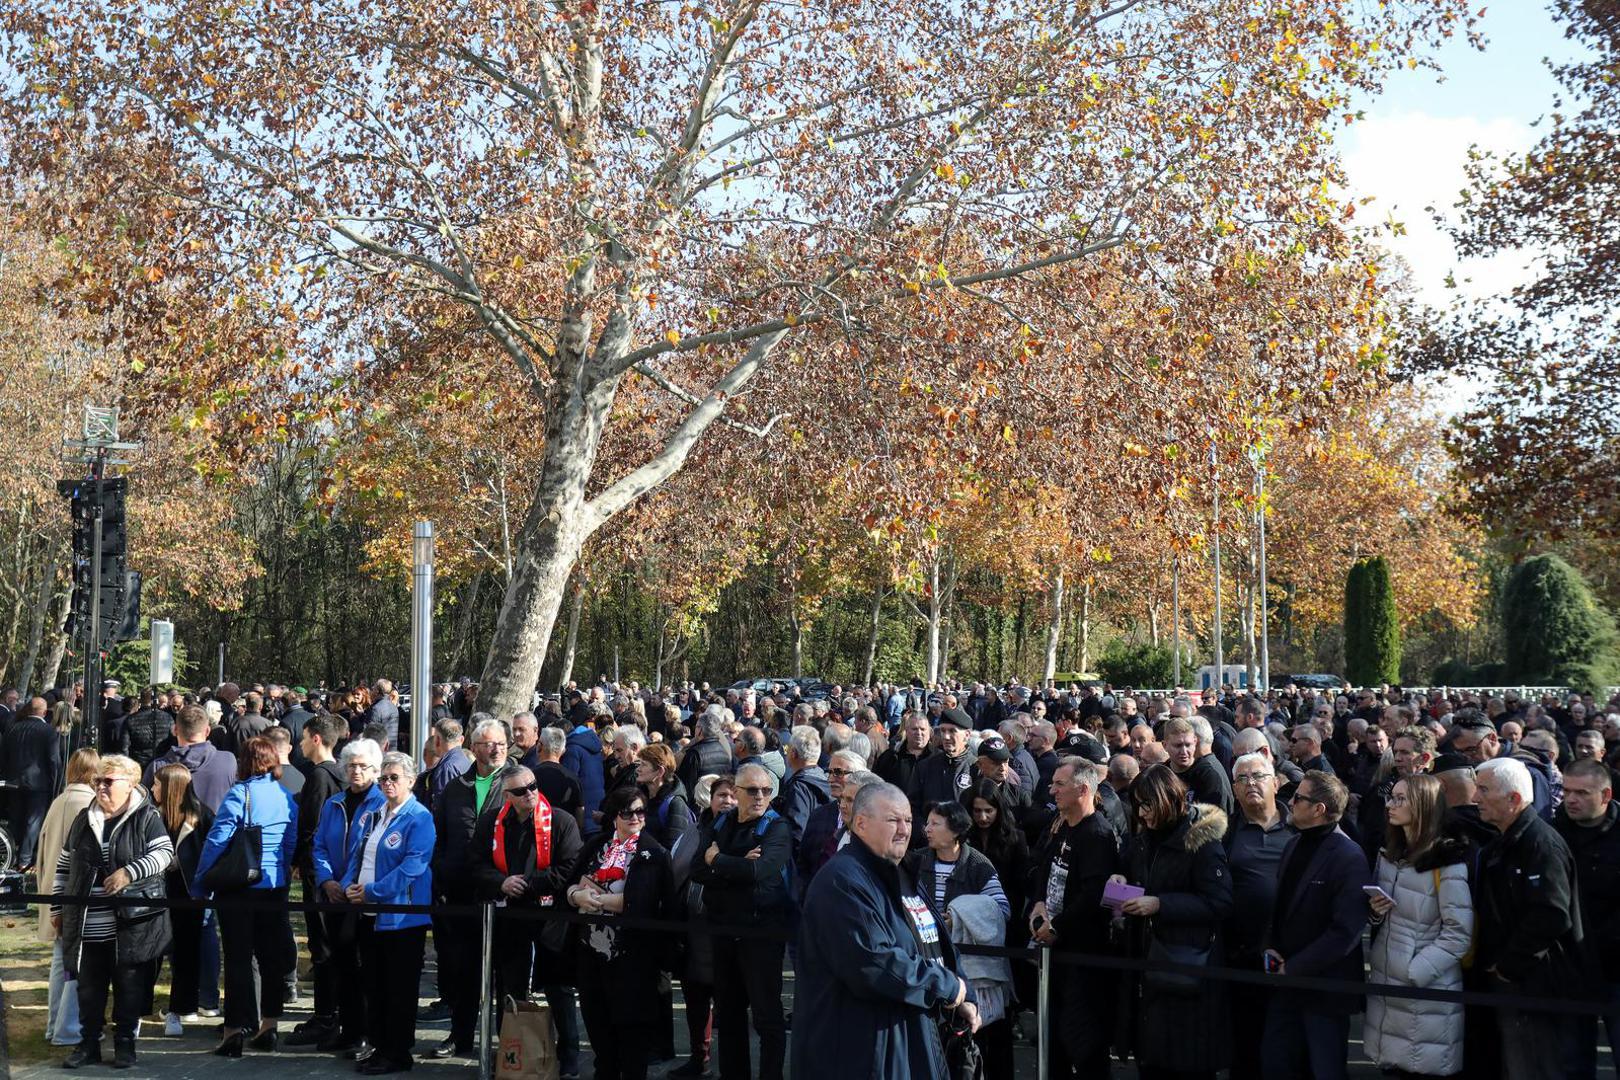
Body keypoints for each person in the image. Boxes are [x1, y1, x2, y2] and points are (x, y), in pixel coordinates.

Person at [792, 781, 980, 1078]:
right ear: (861, 824)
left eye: (908, 820)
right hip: (861, 1055)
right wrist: (947, 987)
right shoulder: (842, 881)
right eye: (893, 820)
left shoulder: (902, 872)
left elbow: (934, 941)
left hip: (910, 1042)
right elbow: (874, 964)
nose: (904, 830)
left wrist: (963, 996)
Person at [52, 754, 174, 1070]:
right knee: (88, 989)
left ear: (130, 783)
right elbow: (64, 866)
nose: (101, 787)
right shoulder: (84, 818)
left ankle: (125, 1045)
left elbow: (165, 854)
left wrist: (129, 873)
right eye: (97, 781)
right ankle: (88, 1045)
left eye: (108, 781)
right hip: (88, 923)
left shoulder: (146, 816)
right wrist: (57, 908)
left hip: (132, 923)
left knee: (128, 987)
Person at [1113, 763, 1232, 1080]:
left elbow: (1219, 901)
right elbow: (1133, 868)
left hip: (1186, 966)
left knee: (1186, 1062)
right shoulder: (1144, 838)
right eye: (1138, 806)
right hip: (1149, 963)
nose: (1142, 813)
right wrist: (1120, 877)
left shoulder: (1201, 842)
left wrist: (1161, 904)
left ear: (1167, 799)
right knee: (1152, 1058)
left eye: (1147, 805)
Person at [1472, 756, 1584, 1080]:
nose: (1475, 798)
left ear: (1514, 798)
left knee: (1535, 1065)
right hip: (1518, 982)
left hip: (1535, 985)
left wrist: (1508, 965)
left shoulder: (1541, 844)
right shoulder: (1505, 842)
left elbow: (1551, 913)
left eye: (1484, 790)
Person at [471, 763, 584, 1080]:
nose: (530, 793)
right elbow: (475, 863)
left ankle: (569, 1056)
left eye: (533, 786)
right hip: (510, 915)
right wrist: (501, 882)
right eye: (521, 791)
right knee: (510, 986)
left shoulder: (560, 820)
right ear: (507, 796)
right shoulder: (491, 822)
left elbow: (570, 868)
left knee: (558, 988)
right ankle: (511, 1051)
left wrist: (530, 884)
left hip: (551, 915)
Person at [193, 735, 298, 1057]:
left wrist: (201, 880)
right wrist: (282, 871)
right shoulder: (285, 795)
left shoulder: (240, 794)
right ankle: (270, 1026)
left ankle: (234, 1031)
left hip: (240, 885)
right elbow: (290, 841)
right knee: (270, 958)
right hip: (274, 885)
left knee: (238, 958)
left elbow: (218, 839)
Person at [1261, 770, 1370, 1080]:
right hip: (1285, 983)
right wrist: (1269, 947)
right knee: (1276, 1063)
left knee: (1324, 1070)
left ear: (1319, 809)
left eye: (1298, 798)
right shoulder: (1293, 844)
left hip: (1325, 991)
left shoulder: (1349, 856)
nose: (1290, 802)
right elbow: (1280, 906)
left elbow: (1346, 931)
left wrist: (1294, 967)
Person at [1363, 772, 1473, 1078]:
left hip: (1425, 989)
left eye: (1400, 799)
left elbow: (1458, 933)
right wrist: (1375, 912)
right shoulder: (1389, 854)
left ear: (1423, 806)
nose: (1390, 805)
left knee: (1421, 1066)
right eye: (1391, 797)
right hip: (1388, 983)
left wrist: (1416, 971)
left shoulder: (1447, 861)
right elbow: (1385, 916)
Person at [565, 784, 675, 1080]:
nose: (636, 818)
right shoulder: (597, 845)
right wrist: (576, 896)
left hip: (632, 958)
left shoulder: (653, 852)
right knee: (599, 1034)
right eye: (628, 813)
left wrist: (596, 900)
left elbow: (642, 903)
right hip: (591, 953)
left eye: (641, 812)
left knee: (632, 1039)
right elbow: (571, 883)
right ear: (615, 816)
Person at [692, 762, 793, 1080]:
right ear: (736, 792)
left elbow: (758, 871)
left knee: (767, 1017)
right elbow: (697, 869)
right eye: (752, 790)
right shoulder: (721, 822)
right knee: (729, 1015)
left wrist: (719, 860)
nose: (760, 796)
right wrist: (736, 867)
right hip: (723, 931)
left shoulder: (777, 827)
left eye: (766, 790)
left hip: (762, 934)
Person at [431, 715, 518, 1058]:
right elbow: (440, 836)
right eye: (489, 744)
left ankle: (506, 1044)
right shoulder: (456, 788)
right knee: (463, 969)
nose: (496, 750)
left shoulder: (518, 783)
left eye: (501, 744)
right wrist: (443, 871)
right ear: (474, 747)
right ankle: (461, 1034)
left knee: (505, 974)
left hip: (503, 892)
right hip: (462, 893)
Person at [343, 751, 434, 1075]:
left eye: (394, 777)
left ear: (411, 780)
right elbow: (358, 856)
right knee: (374, 984)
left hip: (401, 917)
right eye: (383, 778)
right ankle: (379, 1046)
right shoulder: (375, 814)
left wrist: (372, 891)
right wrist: (349, 885)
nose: (387, 783)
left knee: (399, 989)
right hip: (369, 914)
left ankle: (398, 1053)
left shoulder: (419, 817)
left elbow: (412, 867)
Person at [1029, 758, 1120, 1080]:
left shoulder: (1097, 834)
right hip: (1054, 950)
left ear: (1082, 790)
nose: (1052, 790)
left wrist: (1057, 927)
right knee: (1053, 1037)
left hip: (1082, 956)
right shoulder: (1062, 826)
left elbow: (1094, 894)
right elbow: (1044, 868)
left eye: (1059, 784)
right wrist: (1039, 904)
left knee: (1084, 1041)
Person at [308, 737, 384, 1056]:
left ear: (376, 769)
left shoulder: (381, 803)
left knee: (365, 967)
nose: (356, 771)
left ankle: (366, 1033)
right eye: (351, 765)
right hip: (334, 896)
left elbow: (368, 850)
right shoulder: (334, 803)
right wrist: (327, 880)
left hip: (362, 896)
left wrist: (348, 883)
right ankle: (348, 1029)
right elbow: (320, 845)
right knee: (342, 964)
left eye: (363, 766)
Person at [1221, 752, 1294, 1080]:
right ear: (1234, 789)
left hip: (1292, 957)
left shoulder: (1301, 826)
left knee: (1287, 1051)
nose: (1250, 783)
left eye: (1258, 776)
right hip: (1241, 958)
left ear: (1276, 783)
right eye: (1242, 778)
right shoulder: (1225, 831)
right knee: (1246, 1048)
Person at [1557, 758, 1620, 1078]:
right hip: (1571, 967)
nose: (1571, 799)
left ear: (1605, 795)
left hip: (1616, 965)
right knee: (1572, 1062)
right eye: (1567, 791)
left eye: (1581, 792)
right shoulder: (1553, 831)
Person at [287, 712, 348, 1047]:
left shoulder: (320, 776)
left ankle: (326, 1016)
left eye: (303, 737)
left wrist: (300, 861)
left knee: (322, 945)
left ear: (315, 738)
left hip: (319, 872)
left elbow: (309, 826)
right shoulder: (338, 774)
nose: (299, 744)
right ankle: (329, 1012)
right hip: (331, 870)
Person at [37, 748, 100, 1049]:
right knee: (74, 964)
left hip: (53, 890)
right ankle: (67, 1028)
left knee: (60, 961)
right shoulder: (87, 804)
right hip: (73, 894)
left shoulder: (58, 801)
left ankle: (54, 1025)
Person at [151, 763, 214, 1038]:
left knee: (187, 953)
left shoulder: (201, 816)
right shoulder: (152, 815)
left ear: (170, 787)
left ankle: (182, 1008)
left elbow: (212, 852)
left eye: (156, 784)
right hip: (158, 894)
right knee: (152, 953)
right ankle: (140, 1009)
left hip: (189, 895)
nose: (152, 788)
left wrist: (186, 866)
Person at [1, 695, 64, 868]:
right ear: (44, 712)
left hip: (13, 783)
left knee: (15, 820)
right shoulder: (48, 731)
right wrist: (57, 784)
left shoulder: (13, 728)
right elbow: (54, 761)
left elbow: (4, 756)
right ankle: (25, 859)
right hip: (39, 784)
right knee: (33, 822)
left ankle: (11, 856)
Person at [144, 704, 238, 813]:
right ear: (208, 731)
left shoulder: (157, 767)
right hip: (216, 823)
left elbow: (144, 808)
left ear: (175, 730)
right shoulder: (228, 761)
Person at [963, 779, 1029, 931]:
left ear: (998, 810)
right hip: (969, 914)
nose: (983, 817)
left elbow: (1019, 885)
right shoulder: (963, 838)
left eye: (988, 811)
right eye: (977, 811)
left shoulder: (1016, 839)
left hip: (1005, 917)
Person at [1163, 716, 1235, 817]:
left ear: (1195, 742)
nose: (1184, 751)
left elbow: (1213, 819)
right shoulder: (1161, 775)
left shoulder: (1208, 775)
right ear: (1165, 745)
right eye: (1178, 745)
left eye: (1188, 745)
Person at [773, 725, 829, 850]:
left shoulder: (799, 787)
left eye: (788, 749)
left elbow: (796, 832)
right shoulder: (825, 780)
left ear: (793, 753)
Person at [637, 742, 695, 851]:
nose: (638, 769)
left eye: (643, 765)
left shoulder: (675, 804)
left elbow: (674, 850)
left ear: (660, 771)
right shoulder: (639, 796)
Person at [562, 702, 607, 837]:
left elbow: (570, 782)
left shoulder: (572, 748)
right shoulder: (595, 745)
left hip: (583, 813)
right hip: (598, 809)